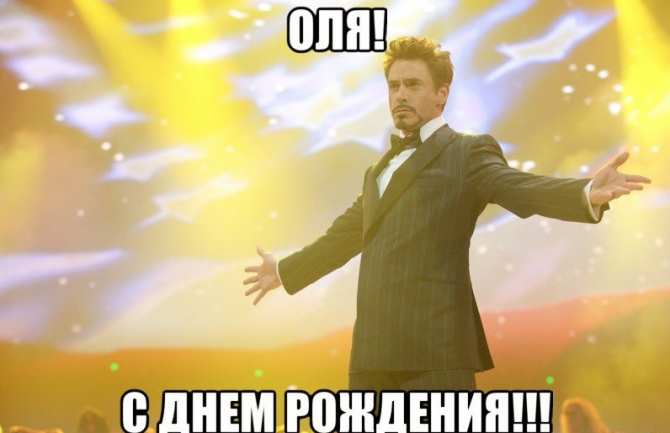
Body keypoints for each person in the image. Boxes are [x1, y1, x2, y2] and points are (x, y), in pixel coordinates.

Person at [243, 36, 651, 391]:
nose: (400, 95)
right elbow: (344, 236)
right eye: (394, 86)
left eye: (413, 85)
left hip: (435, 351)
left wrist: (584, 192)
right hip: (372, 354)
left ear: (441, 94)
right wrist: (285, 271)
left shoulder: (467, 152)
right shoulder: (378, 170)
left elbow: (515, 186)